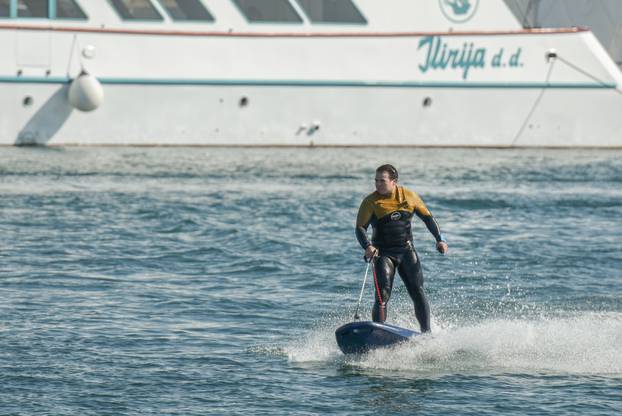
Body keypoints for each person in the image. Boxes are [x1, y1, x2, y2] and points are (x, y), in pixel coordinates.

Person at [355, 164, 448, 333]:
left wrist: (440, 239)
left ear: (393, 181)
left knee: (417, 291)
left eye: (382, 181)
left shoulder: (409, 196)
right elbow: (360, 228)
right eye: (376, 180)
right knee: (382, 294)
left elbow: (428, 218)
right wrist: (368, 246)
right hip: (382, 253)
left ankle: (426, 334)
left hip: (406, 251)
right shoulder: (371, 202)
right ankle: (379, 333)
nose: (377, 184)